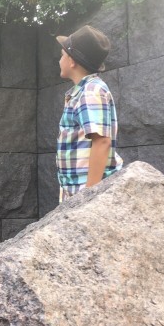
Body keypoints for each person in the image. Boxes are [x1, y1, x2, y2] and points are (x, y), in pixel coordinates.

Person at [55, 25, 123, 201]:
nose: (59, 60)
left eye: (62, 56)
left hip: (87, 195)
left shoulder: (91, 91)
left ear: (72, 61)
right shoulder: (84, 90)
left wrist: (89, 197)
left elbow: (101, 141)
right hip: (77, 193)